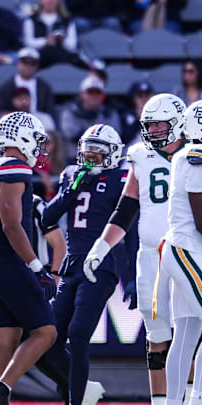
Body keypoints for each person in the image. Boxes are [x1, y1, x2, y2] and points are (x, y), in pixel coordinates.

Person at [84, 94, 187, 405]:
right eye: (149, 126)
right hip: (150, 256)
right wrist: (101, 246)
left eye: (159, 125)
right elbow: (126, 208)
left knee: (190, 334)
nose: (153, 132)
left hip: (189, 255)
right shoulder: (141, 155)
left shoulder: (196, 153)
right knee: (157, 337)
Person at [42, 124, 136, 405]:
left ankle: (75, 399)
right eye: (88, 149)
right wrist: (69, 192)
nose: (91, 155)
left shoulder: (123, 178)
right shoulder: (71, 174)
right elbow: (48, 216)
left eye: (99, 150)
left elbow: (129, 231)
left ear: (113, 153)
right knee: (47, 338)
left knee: (78, 333)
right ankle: (80, 389)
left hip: (100, 267)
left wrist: (131, 276)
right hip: (71, 266)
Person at [0, 111, 57, 405]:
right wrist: (37, 267)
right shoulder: (12, 167)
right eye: (36, 139)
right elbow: (11, 224)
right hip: (8, 261)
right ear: (21, 137)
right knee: (46, 333)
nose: (39, 146)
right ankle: (2, 388)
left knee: (6, 341)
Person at [155, 100, 202, 405]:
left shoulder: (185, 154)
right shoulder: (197, 156)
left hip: (182, 250)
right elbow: (201, 219)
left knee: (186, 334)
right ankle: (197, 397)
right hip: (188, 249)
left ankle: (177, 402)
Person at [59, 75, 121, 162]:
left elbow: (115, 137)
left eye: (97, 92)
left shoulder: (110, 114)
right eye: (90, 92)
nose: (94, 96)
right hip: (75, 160)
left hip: (104, 161)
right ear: (82, 94)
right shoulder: (70, 112)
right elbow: (71, 134)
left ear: (103, 96)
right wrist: (99, 137)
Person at [0, 47, 55, 119]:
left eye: (33, 63)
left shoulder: (44, 87)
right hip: (13, 124)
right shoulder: (7, 86)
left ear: (37, 66)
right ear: (18, 63)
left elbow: (50, 112)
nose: (28, 66)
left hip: (38, 123)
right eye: (25, 62)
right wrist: (7, 116)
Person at [21, 0, 79, 68]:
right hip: (38, 59)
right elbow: (27, 42)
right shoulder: (31, 20)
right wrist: (45, 41)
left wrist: (62, 40)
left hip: (62, 59)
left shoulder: (67, 21)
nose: (50, 1)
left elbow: (73, 46)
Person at [119, 81, 154, 146]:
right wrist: (138, 119)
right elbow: (123, 140)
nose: (144, 99)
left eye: (147, 95)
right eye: (140, 96)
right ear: (133, 99)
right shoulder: (126, 117)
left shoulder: (159, 116)